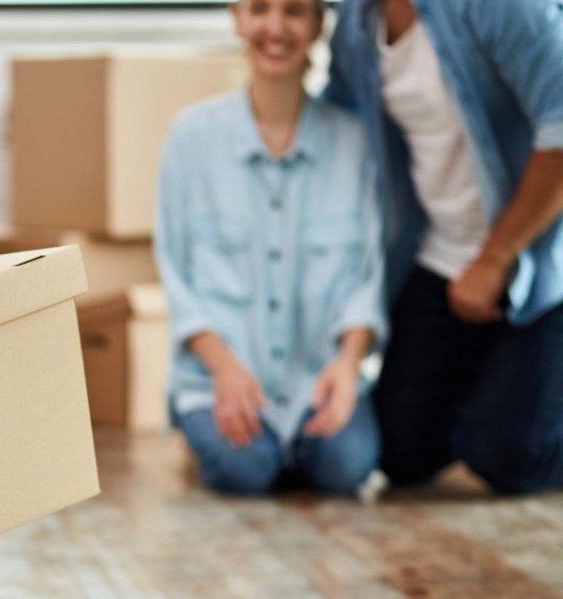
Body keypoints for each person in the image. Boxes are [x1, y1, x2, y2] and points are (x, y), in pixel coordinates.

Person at [326, 0, 563, 494]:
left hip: (542, 262)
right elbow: (334, 120)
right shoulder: (354, 24)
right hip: (444, 255)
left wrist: (496, 258)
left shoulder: (504, 7)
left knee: (509, 457)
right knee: (401, 451)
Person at [154, 0, 388, 498]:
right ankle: (203, 429)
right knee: (244, 472)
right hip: (218, 374)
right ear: (236, 18)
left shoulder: (355, 143)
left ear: (319, 24)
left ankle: (295, 446)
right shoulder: (190, 137)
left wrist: (347, 368)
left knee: (346, 467)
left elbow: (369, 273)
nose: (275, 27)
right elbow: (174, 270)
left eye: (295, 11)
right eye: (259, 9)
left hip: (316, 377)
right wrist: (222, 367)